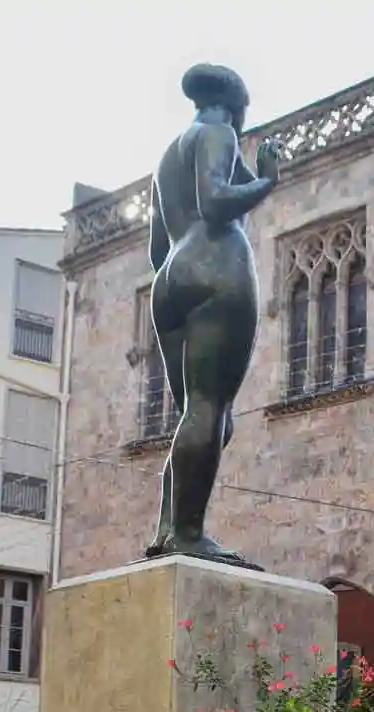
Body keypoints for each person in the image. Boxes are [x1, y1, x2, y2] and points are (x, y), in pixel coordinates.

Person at [145, 63, 282, 568]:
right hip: (217, 266)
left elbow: (157, 247)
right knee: (209, 409)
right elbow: (217, 200)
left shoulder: (168, 156)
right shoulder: (219, 132)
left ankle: (168, 530)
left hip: (171, 279)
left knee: (198, 415)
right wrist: (267, 181)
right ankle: (188, 534)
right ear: (237, 107)